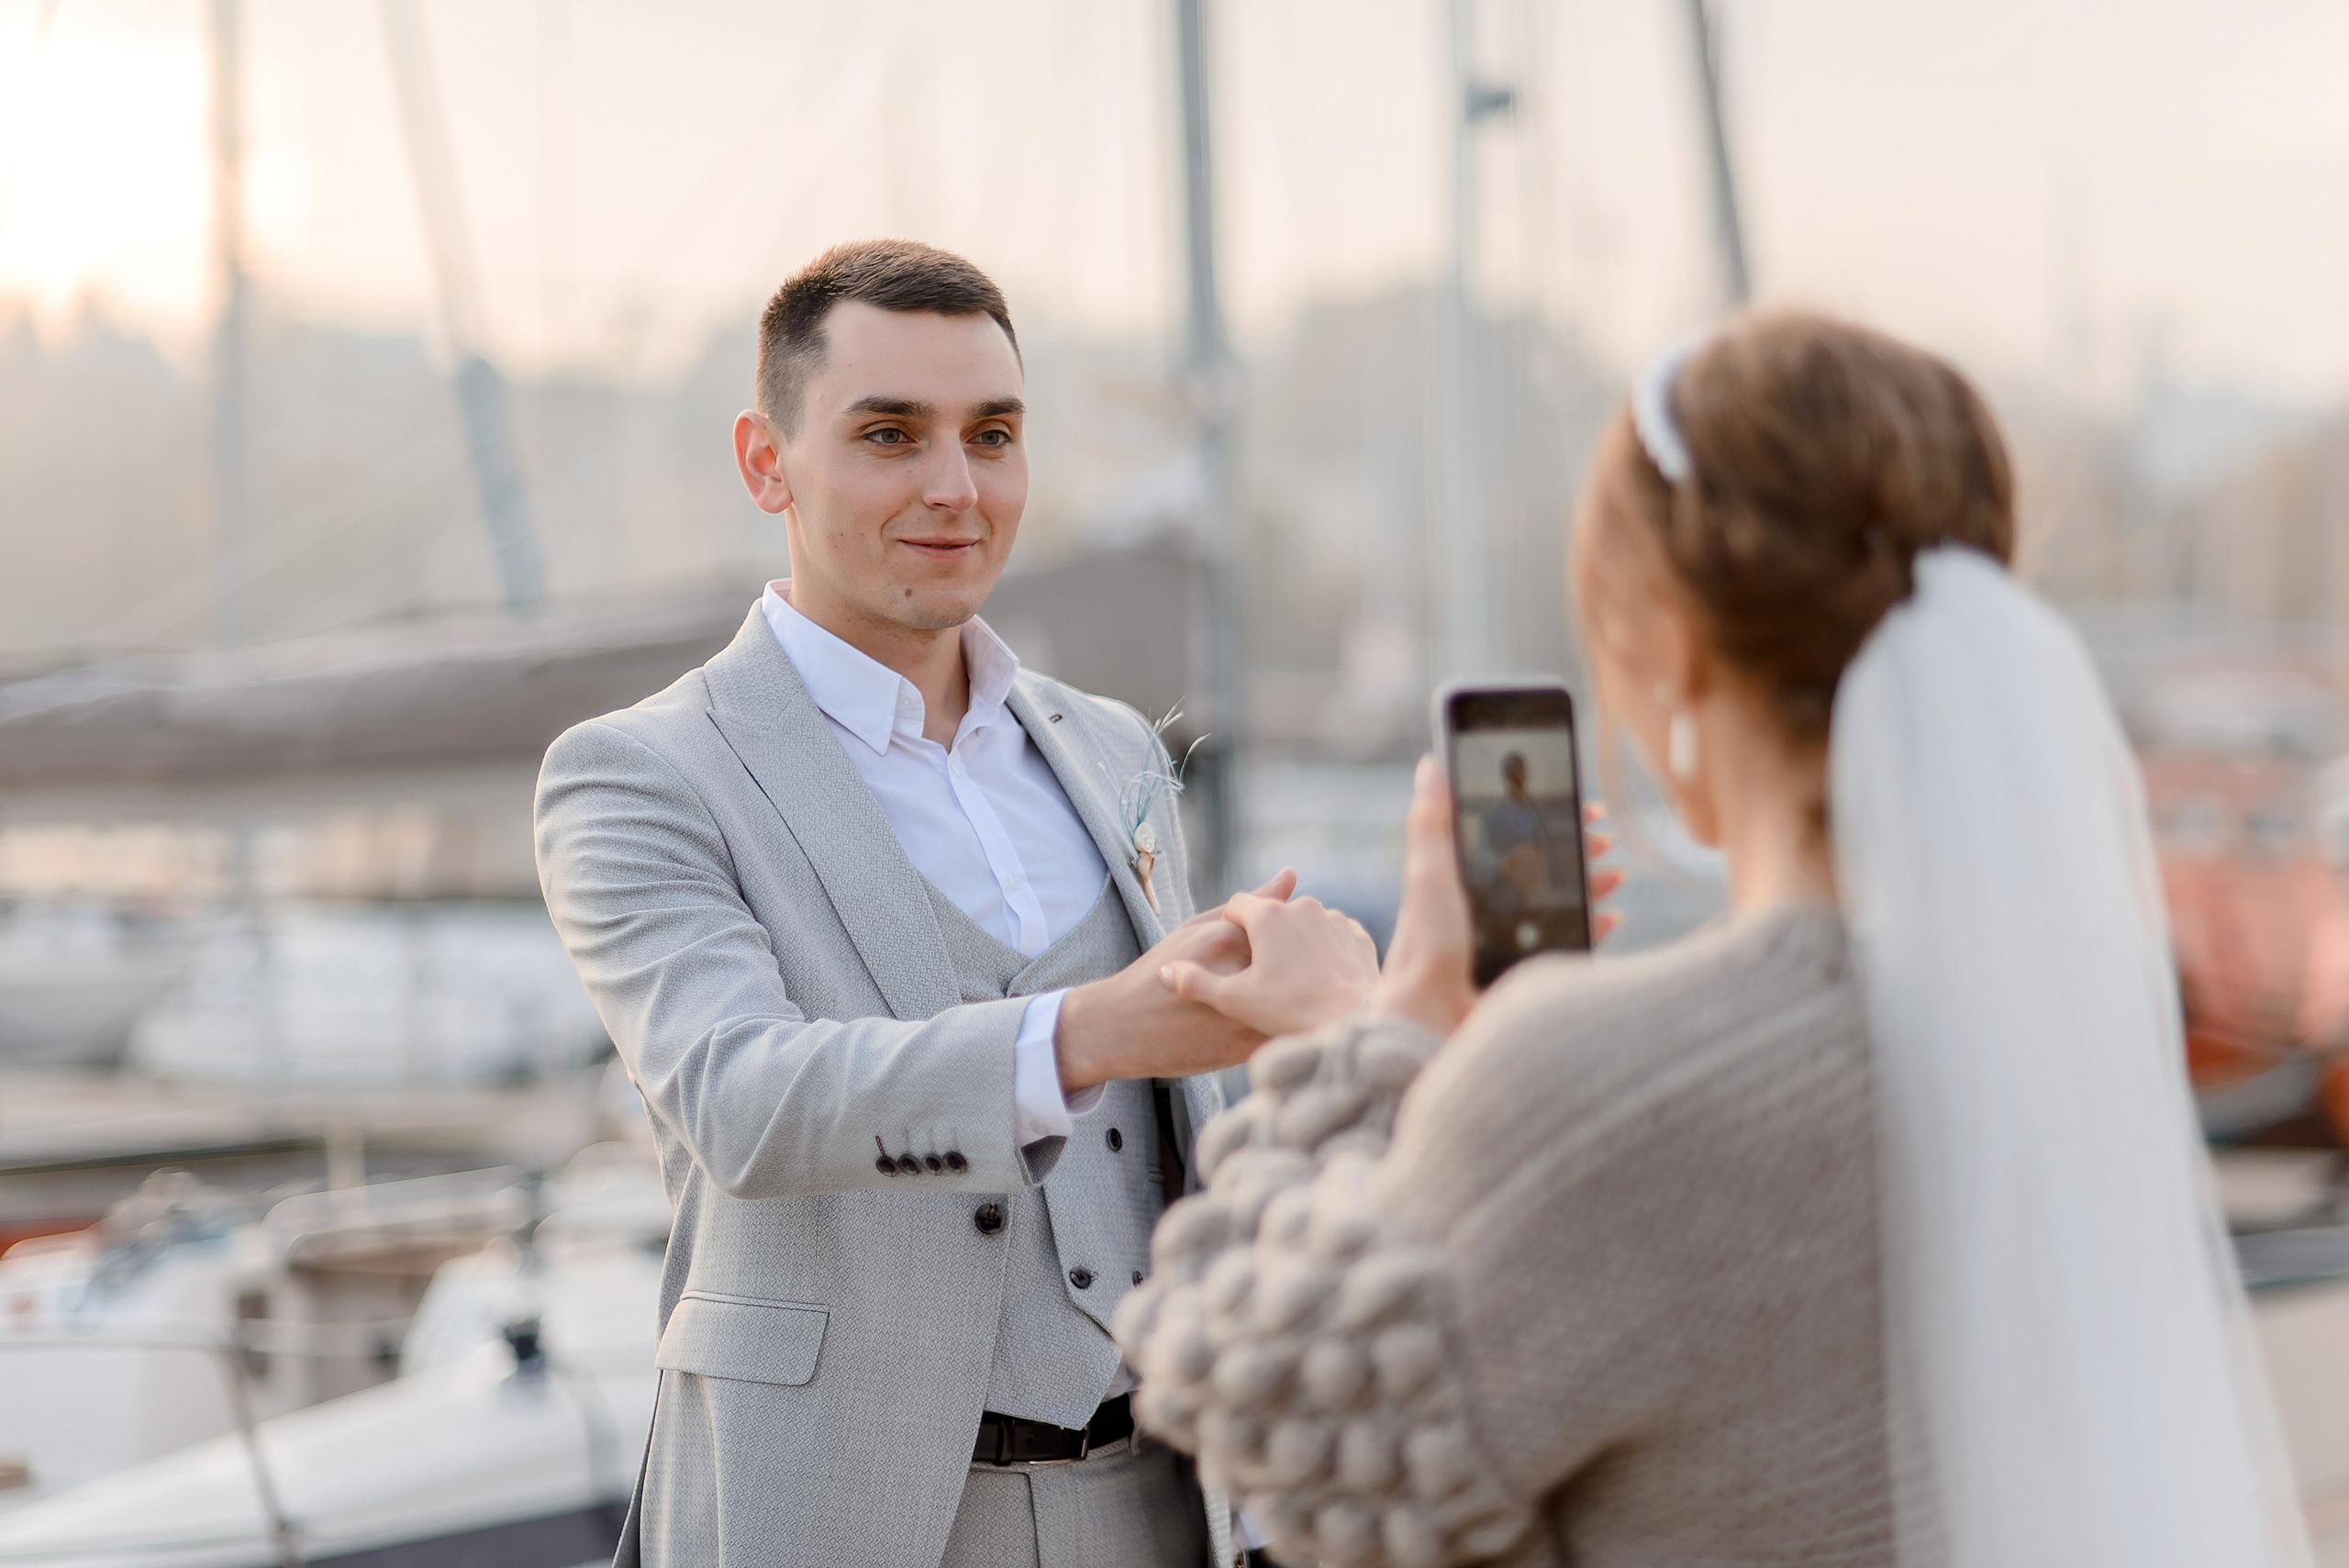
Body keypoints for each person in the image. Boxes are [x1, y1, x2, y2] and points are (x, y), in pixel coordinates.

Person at [1119, 313, 2313, 1567]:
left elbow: (1253, 1402)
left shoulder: (1601, 1081)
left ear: (1674, 653)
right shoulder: (2063, 1043)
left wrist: (1379, 1032)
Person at [535, 240, 1361, 1567]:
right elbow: (743, 1097)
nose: (955, 487)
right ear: (766, 461)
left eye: (992, 434)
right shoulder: (641, 773)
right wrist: (1092, 1030)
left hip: (1158, 1505)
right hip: (840, 1518)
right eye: (890, 435)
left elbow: (1182, 1148)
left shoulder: (1113, 748)